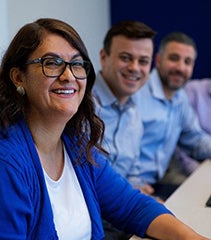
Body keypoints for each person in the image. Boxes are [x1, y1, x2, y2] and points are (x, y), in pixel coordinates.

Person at [0, 18, 209, 240]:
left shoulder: (76, 146)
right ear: (18, 77)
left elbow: (132, 206)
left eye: (76, 64)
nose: (68, 75)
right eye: (52, 63)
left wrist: (192, 238)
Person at [132, 32, 211, 200]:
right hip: (131, 189)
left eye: (187, 62)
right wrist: (132, 187)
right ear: (158, 61)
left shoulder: (179, 97)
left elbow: (194, 136)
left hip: (155, 184)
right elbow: (116, 154)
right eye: (174, 58)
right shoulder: (135, 92)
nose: (181, 68)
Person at [92, 20, 156, 240]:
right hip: (96, 221)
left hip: (124, 213)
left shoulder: (133, 110)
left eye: (143, 61)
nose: (135, 68)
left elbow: (133, 170)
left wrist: (140, 191)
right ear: (103, 57)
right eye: (125, 58)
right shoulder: (81, 106)